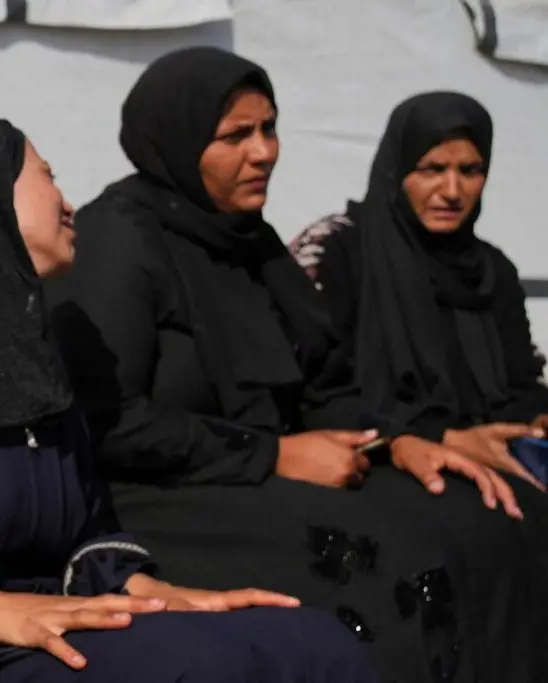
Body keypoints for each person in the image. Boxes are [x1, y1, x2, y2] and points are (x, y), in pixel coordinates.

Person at [0, 112, 381, 683]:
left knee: (317, 645)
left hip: (59, 621)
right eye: (47, 177)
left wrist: (144, 588)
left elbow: (84, 528)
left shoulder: (28, 353)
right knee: (205, 669)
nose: (68, 205)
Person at [46, 47, 548, 683]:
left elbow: (323, 383)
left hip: (261, 475)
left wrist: (399, 442)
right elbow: (110, 421)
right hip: (159, 495)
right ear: (177, 137)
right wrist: (272, 455)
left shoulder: (249, 240)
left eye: (269, 128)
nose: (264, 152)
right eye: (236, 135)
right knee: (400, 560)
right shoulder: (118, 239)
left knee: (494, 517)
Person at [288, 91, 548, 485]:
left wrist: (536, 418)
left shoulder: (490, 270)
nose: (452, 191)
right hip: (373, 460)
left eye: (470, 171)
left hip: (485, 460)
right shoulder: (335, 252)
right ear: (397, 169)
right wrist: (437, 437)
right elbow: (314, 392)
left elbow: (521, 384)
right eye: (432, 169)